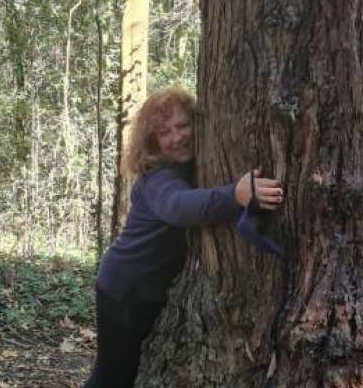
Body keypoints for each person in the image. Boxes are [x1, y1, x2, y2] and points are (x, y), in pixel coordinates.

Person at [82, 86, 283, 388]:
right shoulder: (159, 177)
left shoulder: (186, 169)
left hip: (138, 288)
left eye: (183, 125)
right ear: (154, 142)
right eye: (164, 133)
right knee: (113, 376)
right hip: (126, 291)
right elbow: (178, 207)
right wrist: (235, 194)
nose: (177, 137)